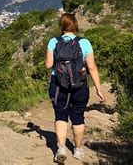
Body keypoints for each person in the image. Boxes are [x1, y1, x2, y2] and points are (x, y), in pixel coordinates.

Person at [45, 13, 106, 163]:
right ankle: (78, 150)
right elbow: (91, 67)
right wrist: (98, 88)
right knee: (78, 116)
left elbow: (48, 65)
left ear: (61, 26)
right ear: (76, 25)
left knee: (61, 116)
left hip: (58, 84)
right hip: (80, 85)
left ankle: (61, 148)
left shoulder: (53, 41)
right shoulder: (84, 43)